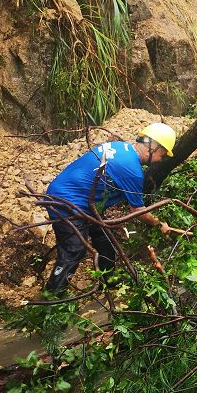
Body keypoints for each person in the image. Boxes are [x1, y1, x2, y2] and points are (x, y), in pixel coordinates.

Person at [44, 123, 178, 294]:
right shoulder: (133, 170)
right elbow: (138, 211)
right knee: (74, 249)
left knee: (103, 235)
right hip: (66, 200)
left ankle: (109, 281)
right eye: (162, 154)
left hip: (81, 198)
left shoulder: (120, 147)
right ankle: (52, 298)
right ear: (153, 146)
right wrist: (160, 224)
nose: (161, 160)